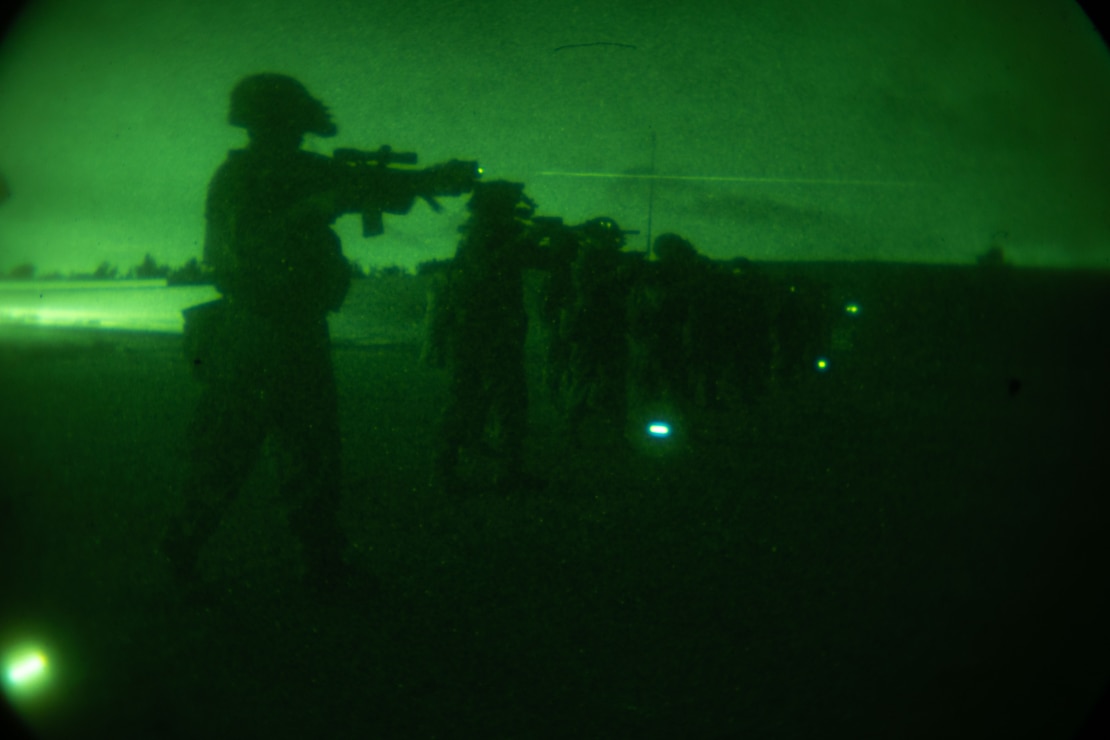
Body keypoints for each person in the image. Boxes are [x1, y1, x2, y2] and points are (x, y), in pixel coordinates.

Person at [162, 73, 476, 600]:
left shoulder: (286, 169)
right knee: (236, 450)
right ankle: (184, 549)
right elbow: (246, 246)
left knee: (307, 451)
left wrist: (427, 181)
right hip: (261, 327)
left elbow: (365, 188)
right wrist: (320, 207)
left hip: (288, 328)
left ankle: (318, 559)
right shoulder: (248, 176)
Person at [432, 180, 551, 493]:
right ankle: (496, 471)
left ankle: (454, 468)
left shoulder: (485, 231)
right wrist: (527, 240)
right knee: (502, 400)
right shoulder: (485, 234)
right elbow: (488, 268)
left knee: (471, 398)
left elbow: (534, 260)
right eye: (512, 204)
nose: (518, 208)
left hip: (480, 328)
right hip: (486, 329)